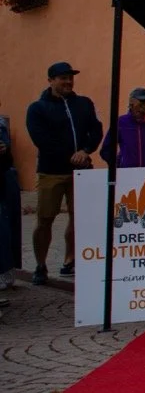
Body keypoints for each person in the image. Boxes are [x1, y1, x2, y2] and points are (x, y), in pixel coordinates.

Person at [26, 62, 103, 283]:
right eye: (63, 78)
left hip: (81, 172)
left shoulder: (84, 104)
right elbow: (41, 139)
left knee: (79, 218)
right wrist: (71, 155)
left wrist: (86, 150)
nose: (68, 82)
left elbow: (96, 129)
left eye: (70, 78)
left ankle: (69, 261)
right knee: (45, 219)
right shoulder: (37, 109)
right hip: (51, 172)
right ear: (51, 80)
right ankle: (40, 265)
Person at [99, 87, 145, 168]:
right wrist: (118, 166)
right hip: (127, 174)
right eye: (142, 101)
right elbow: (105, 150)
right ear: (131, 102)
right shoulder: (121, 122)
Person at [0, 110, 17, 290]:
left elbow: (7, 163)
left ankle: (5, 268)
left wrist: (5, 152)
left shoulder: (1, 127)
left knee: (3, 231)